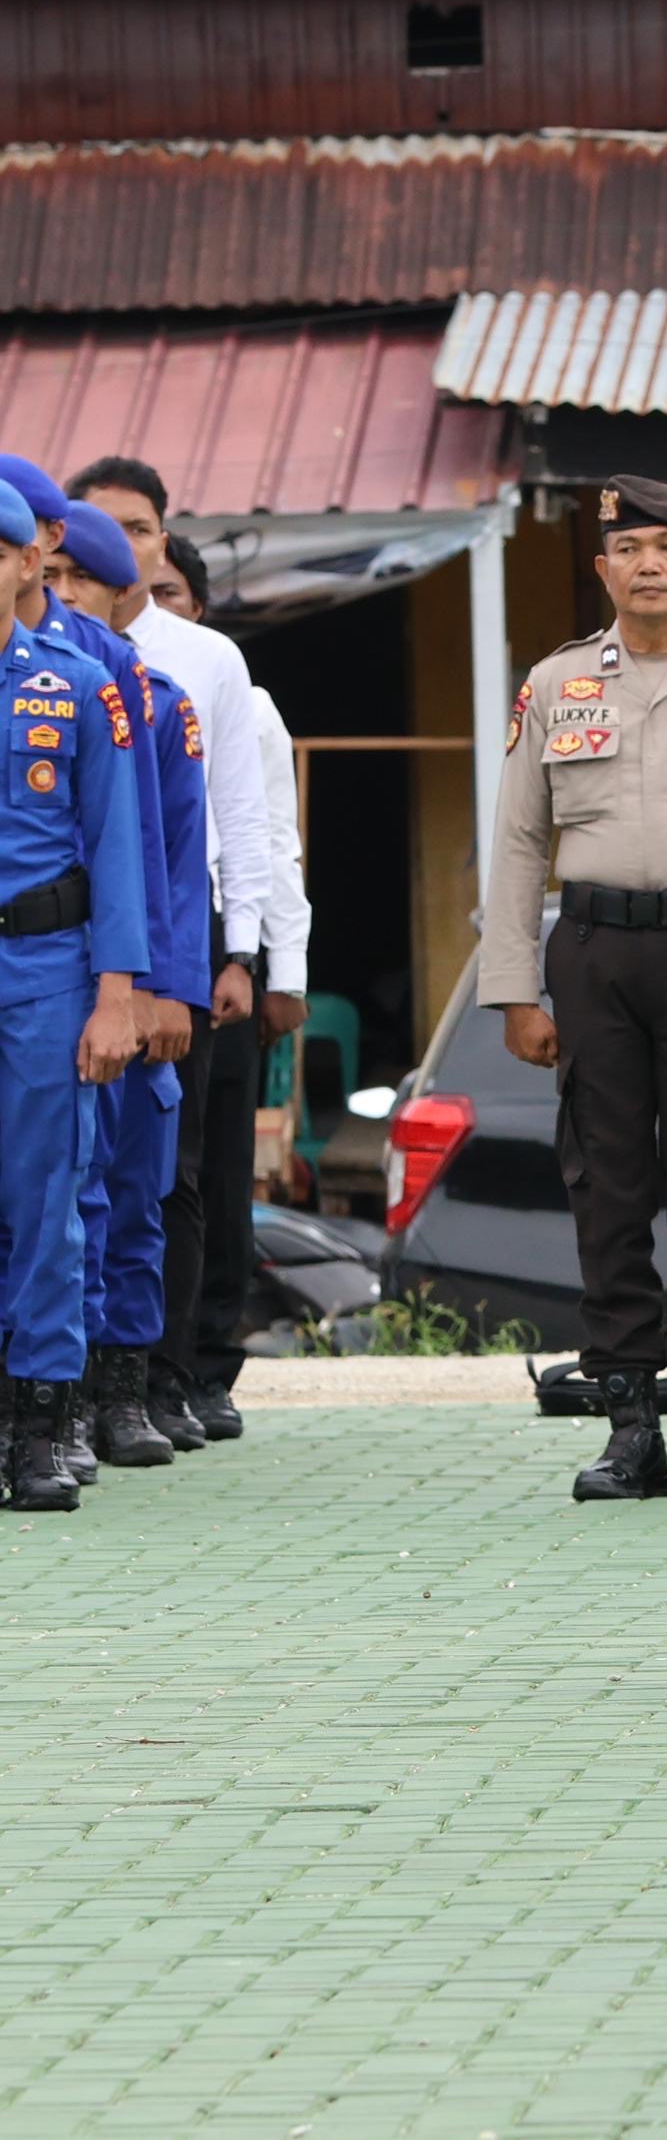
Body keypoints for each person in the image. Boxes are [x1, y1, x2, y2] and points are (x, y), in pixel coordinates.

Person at [475, 476, 667, 1502]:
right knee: (607, 1187)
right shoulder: (556, 685)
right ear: (601, 569)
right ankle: (629, 1418)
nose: (648, 563)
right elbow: (517, 840)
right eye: (628, 547)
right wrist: (513, 987)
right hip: (593, 950)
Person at [72, 458, 281, 1463]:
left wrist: (239, 948)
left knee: (173, 1167)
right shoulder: (38, 656)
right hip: (57, 935)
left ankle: (162, 1372)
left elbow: (238, 815)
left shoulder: (200, 661)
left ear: (159, 539)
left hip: (173, 930)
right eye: (97, 529)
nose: (121, 547)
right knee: (70, 1169)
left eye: (140, 528)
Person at [43, 495, 206, 1478]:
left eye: (76, 583)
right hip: (50, 964)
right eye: (52, 576)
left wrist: (164, 983)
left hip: (122, 971)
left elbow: (171, 857)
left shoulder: (145, 694)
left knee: (133, 1184)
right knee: (64, 1189)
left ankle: (121, 1381)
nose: (59, 596)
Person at [0, 472, 149, 1507]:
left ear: (25, 564)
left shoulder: (77, 684)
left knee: (45, 1197)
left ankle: (39, 1427)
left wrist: (117, 995)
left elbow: (122, 851)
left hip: (46, 965)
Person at [146, 531, 298, 1441]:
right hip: (143, 936)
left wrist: (281, 966)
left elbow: (269, 837)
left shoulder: (234, 691)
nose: (155, 604)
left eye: (170, 588)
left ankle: (206, 1361)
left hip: (222, 947)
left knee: (213, 1166)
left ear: (197, 604)